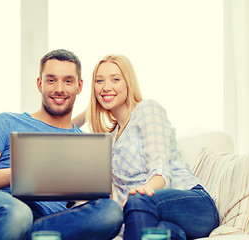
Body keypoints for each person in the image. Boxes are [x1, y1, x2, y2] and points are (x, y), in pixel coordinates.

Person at [0, 49, 123, 240]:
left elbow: (89, 206)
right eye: (51, 80)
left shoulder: (83, 145)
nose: (59, 88)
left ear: (79, 86)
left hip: (47, 220)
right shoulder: (7, 121)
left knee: (111, 211)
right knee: (19, 213)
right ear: (39, 83)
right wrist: (25, 173)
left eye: (68, 81)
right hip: (0, 206)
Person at [74, 54, 219, 240]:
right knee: (165, 232)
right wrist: (92, 107)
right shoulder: (110, 139)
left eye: (115, 79)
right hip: (150, 215)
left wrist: (140, 195)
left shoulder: (147, 109)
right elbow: (64, 133)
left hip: (194, 206)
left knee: (137, 201)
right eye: (99, 81)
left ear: (129, 83)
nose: (106, 86)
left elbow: (161, 174)